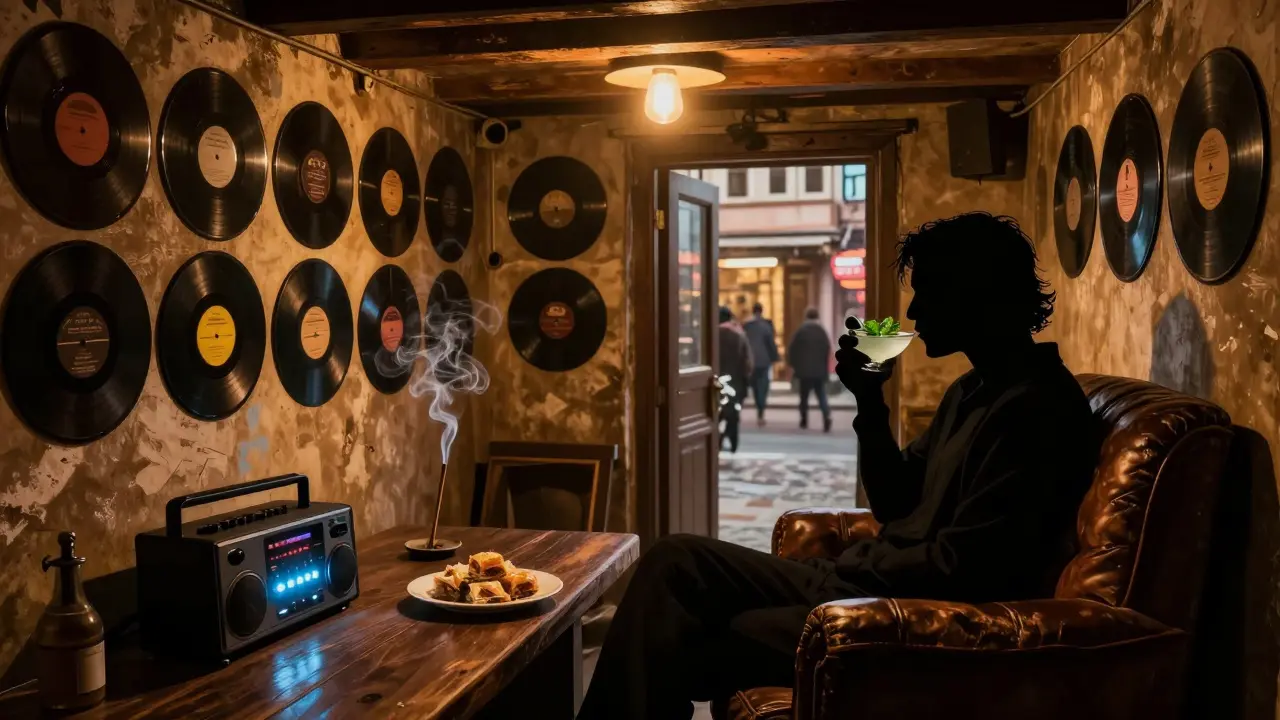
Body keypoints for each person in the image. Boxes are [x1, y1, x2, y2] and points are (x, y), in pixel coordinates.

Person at [577, 212, 1098, 720]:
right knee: (675, 559)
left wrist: (858, 567)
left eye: (929, 292)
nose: (913, 314)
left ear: (978, 295)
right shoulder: (971, 390)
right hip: (863, 580)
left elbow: (965, 570)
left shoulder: (1037, 409)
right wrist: (869, 401)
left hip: (909, 608)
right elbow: (895, 502)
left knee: (703, 628)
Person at [787, 307, 833, 432]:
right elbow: (827, 349)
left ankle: (804, 420)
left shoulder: (801, 331)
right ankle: (826, 416)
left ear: (806, 317)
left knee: (804, 396)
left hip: (804, 370)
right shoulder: (821, 331)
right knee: (821, 395)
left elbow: (792, 349)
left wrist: (793, 365)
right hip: (819, 370)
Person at [718, 306, 752, 452]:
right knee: (733, 412)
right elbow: (748, 361)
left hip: (717, 380)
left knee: (717, 412)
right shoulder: (739, 334)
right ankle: (732, 439)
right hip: (735, 381)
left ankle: (718, 438)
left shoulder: (712, 334)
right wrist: (746, 376)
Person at [742, 302, 779, 426]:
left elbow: (743, 343)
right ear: (761, 311)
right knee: (763, 386)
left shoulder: (746, 326)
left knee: (755, 386)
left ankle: (759, 405)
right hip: (764, 360)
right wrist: (775, 358)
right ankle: (761, 410)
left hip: (750, 360)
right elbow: (771, 343)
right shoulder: (766, 325)